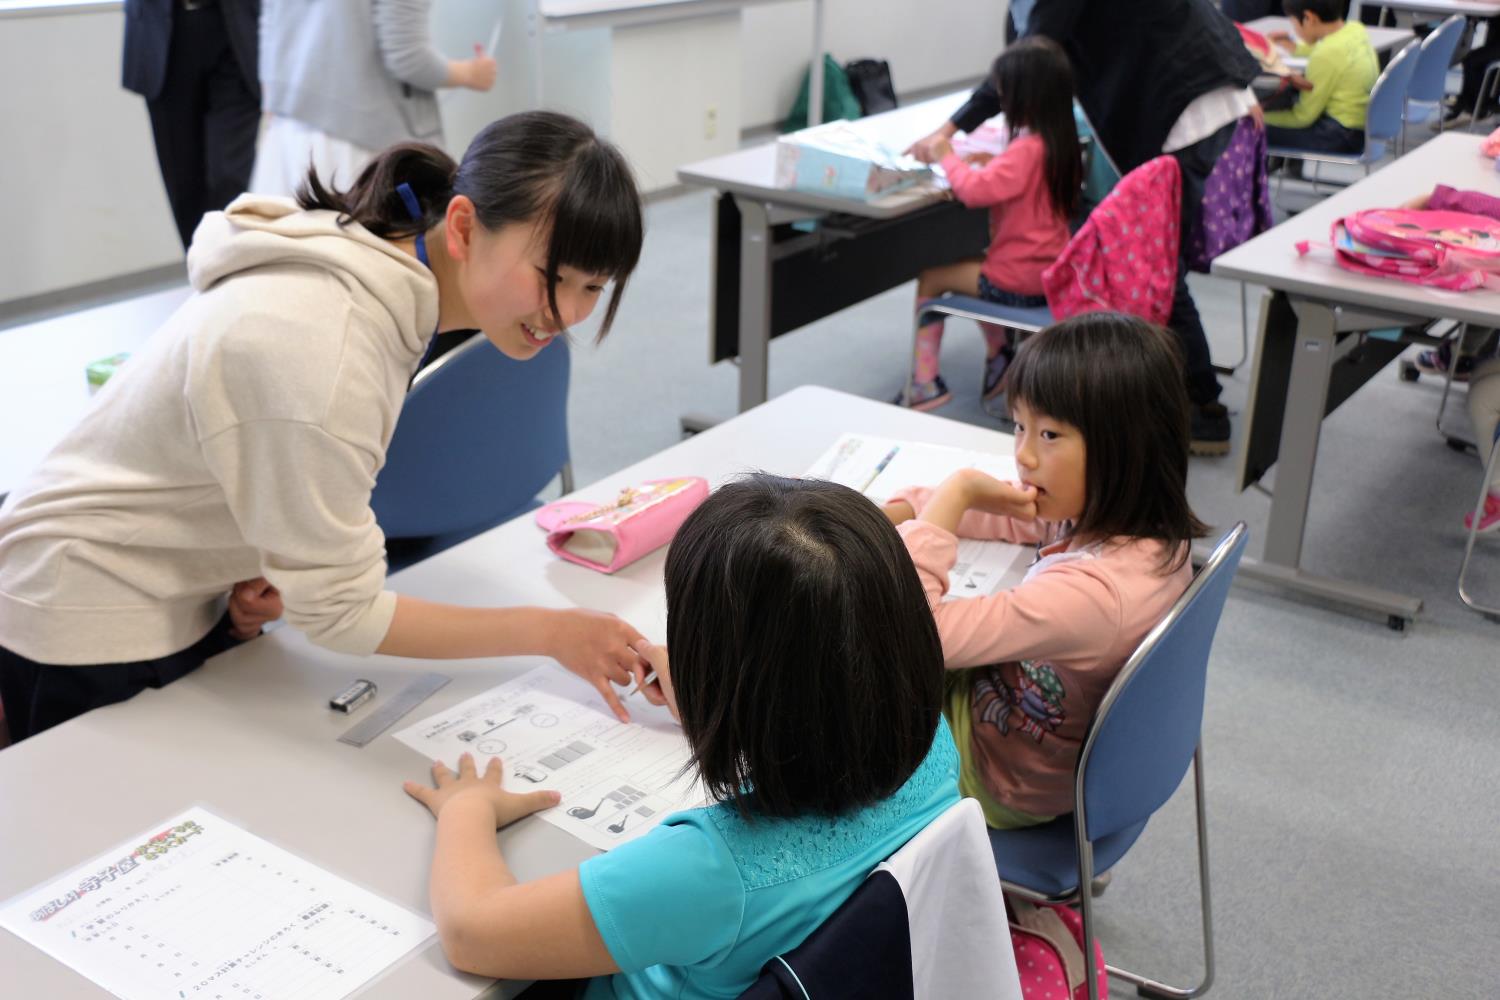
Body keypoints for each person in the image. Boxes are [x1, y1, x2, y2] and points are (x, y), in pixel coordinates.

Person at [0, 111, 647, 742]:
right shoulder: (328, 346)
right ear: (462, 227)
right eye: (553, 276)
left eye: (593, 286)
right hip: (82, 604)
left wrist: (275, 553)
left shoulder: (384, 276)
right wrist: (552, 633)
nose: (565, 313)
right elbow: (344, 615)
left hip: (174, 584)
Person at [402, 475, 960, 998]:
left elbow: (471, 933)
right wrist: (712, 699)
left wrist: (466, 809)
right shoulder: (935, 742)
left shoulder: (706, 873)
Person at [884, 313, 1206, 829]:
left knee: (836, 660)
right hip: (1025, 730)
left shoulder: (1094, 595)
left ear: (1124, 444)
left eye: (1050, 433)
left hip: (994, 772)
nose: (1024, 455)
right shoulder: (1138, 523)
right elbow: (1016, 514)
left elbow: (920, 635)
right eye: (1019, 426)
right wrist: (905, 510)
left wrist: (956, 494)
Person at [908, 0, 1263, 456]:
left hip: (1182, 104)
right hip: (1199, 91)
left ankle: (1201, 407)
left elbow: (1030, 50)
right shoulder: (1055, 145)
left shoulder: (1027, 145)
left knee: (1161, 272)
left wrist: (947, 136)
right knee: (1162, 268)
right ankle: (1178, 395)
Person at [894, 38, 1081, 412]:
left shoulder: (1025, 151)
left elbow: (973, 192)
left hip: (1017, 281)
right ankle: (1000, 360)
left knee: (932, 278)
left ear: (1023, 98)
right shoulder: (1059, 142)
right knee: (969, 265)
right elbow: (1013, 178)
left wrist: (946, 153)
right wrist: (990, 159)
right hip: (1049, 275)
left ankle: (925, 384)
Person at [251, 0, 499, 196]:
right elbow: (408, 57)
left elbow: (269, 25)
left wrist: (272, 98)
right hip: (362, 142)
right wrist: (470, 74)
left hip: (289, 128)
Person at [122, 0, 261, 250]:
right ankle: (203, 271)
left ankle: (233, 272)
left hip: (237, 31)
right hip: (163, 33)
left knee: (230, 177)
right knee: (184, 185)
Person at [1263, 0, 1379, 153]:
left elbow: (1302, 117)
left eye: (1294, 23)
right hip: (1359, 130)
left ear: (1309, 18)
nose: (1294, 30)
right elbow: (1331, 53)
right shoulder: (1354, 29)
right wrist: (1294, 48)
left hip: (1338, 137)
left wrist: (1262, 117)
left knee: (1250, 128)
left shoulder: (1326, 55)